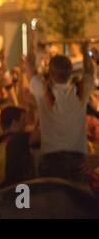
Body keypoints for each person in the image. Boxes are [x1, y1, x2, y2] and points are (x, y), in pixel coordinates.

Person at [25, 36, 96, 181]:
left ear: (50, 74)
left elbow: (28, 65)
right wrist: (85, 49)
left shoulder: (44, 91)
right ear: (71, 72)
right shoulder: (80, 92)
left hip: (51, 160)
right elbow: (90, 71)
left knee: (50, 202)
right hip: (78, 161)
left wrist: (33, 44)